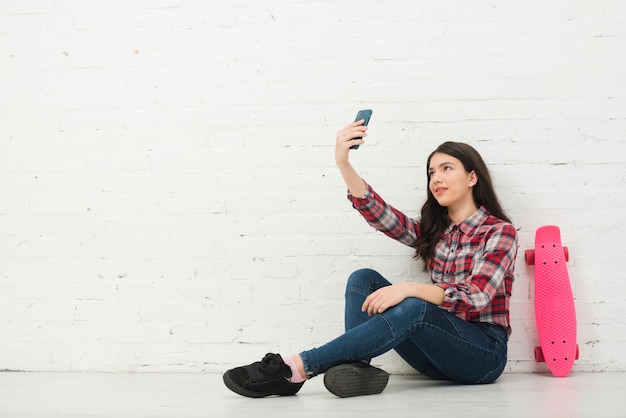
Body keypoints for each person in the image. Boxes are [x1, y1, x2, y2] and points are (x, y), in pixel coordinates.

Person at [223, 117, 518, 398]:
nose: (436, 178)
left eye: (446, 168)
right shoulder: (436, 233)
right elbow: (382, 216)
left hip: (482, 355)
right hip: (436, 356)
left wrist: (409, 288)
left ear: (472, 177)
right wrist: (343, 162)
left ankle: (295, 369)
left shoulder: (499, 232)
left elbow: (476, 297)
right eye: (431, 172)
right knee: (363, 279)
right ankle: (358, 367)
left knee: (415, 306)